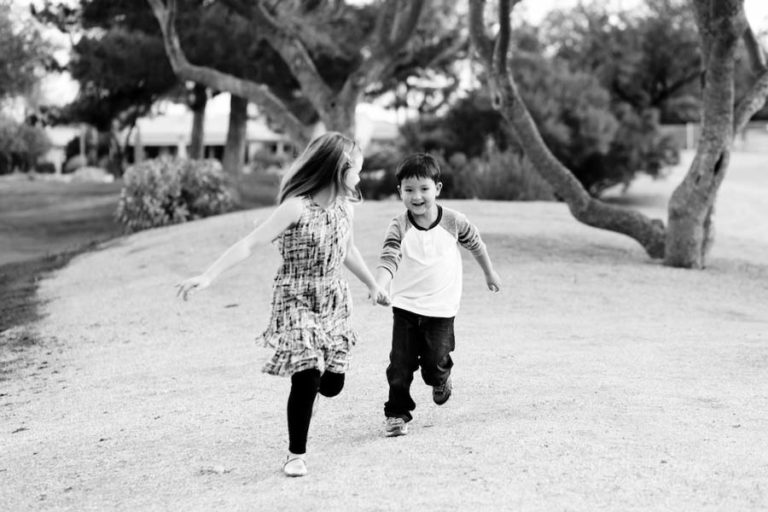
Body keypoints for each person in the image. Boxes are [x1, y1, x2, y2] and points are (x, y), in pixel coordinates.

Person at [176, 132, 389, 477]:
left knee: (332, 385)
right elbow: (249, 243)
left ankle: (317, 390)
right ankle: (296, 455)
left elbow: (348, 250)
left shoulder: (346, 208)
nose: (361, 177)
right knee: (305, 375)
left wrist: (373, 285)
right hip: (295, 297)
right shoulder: (295, 207)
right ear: (339, 169)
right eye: (358, 170)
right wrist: (209, 275)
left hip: (333, 298)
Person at [376, 153, 501, 437]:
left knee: (434, 362)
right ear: (399, 192)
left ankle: (441, 379)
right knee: (400, 365)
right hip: (405, 306)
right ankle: (397, 414)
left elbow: (477, 246)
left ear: (438, 189)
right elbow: (389, 257)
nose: (416, 196)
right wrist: (380, 285)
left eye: (424, 189)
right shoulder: (399, 225)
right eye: (408, 190)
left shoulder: (454, 222)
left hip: (442, 309)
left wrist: (489, 273)